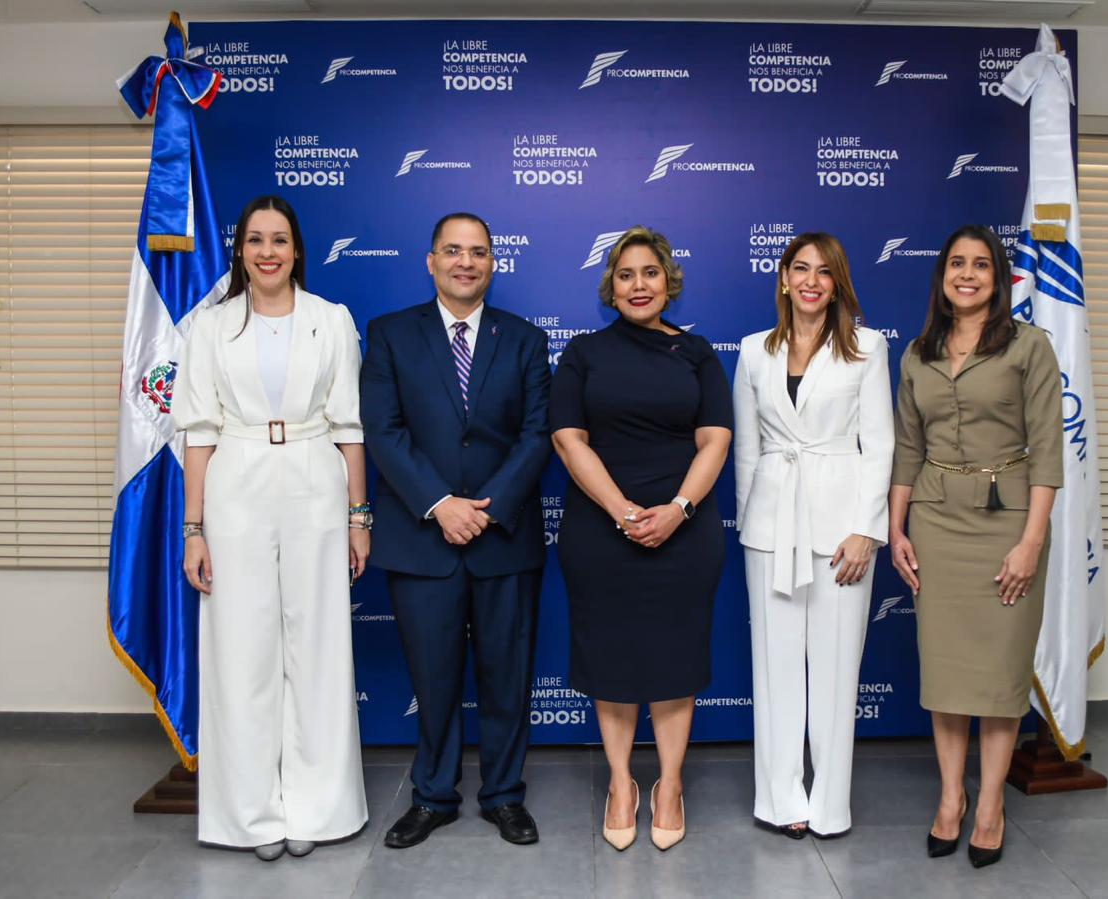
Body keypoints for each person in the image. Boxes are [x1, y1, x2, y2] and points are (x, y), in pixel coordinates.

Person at [173, 195, 370, 861]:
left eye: (279, 239)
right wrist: (193, 528)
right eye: (255, 239)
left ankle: (316, 806)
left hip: (316, 478)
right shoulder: (211, 327)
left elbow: (349, 425)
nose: (267, 252)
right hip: (236, 484)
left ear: (296, 249)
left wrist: (359, 517)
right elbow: (199, 432)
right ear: (241, 250)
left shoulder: (331, 320)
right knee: (241, 649)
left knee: (317, 648)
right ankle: (250, 813)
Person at [360, 212, 551, 849]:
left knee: (507, 677)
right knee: (433, 678)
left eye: (477, 252)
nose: (465, 262)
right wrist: (441, 504)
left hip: (503, 538)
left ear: (493, 262)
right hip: (422, 538)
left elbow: (537, 434)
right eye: (452, 251)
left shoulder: (525, 340)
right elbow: (383, 431)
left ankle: (504, 795)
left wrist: (486, 510)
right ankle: (433, 797)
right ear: (431, 261)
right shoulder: (390, 334)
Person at [550, 226, 733, 852]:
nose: (638, 285)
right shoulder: (583, 354)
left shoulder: (697, 353)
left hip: (685, 529)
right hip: (601, 530)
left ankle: (671, 784)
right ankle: (622, 783)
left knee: (676, 660)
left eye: (649, 273)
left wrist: (678, 509)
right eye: (625, 275)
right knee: (612, 660)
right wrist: (622, 510)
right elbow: (568, 439)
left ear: (668, 281)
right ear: (611, 286)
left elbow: (716, 440)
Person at [888, 224, 1063, 868]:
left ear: (998, 276)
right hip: (936, 522)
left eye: (981, 264)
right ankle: (950, 799)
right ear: (942, 276)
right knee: (947, 674)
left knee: (998, 673)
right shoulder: (917, 354)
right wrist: (896, 529)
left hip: (1008, 523)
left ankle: (989, 805)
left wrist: (1031, 542)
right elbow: (908, 448)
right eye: (956, 264)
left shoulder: (1029, 346)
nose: (967, 274)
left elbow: (1049, 449)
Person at [733, 232, 893, 839]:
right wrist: (751, 523)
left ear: (837, 284)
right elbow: (747, 448)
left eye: (824, 272)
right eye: (800, 269)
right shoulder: (754, 350)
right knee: (774, 668)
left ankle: (828, 805)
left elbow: (880, 443)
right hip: (771, 525)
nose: (810, 281)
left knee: (835, 671)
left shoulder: (868, 348)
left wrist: (866, 531)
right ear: (783, 278)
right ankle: (781, 800)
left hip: (842, 528)